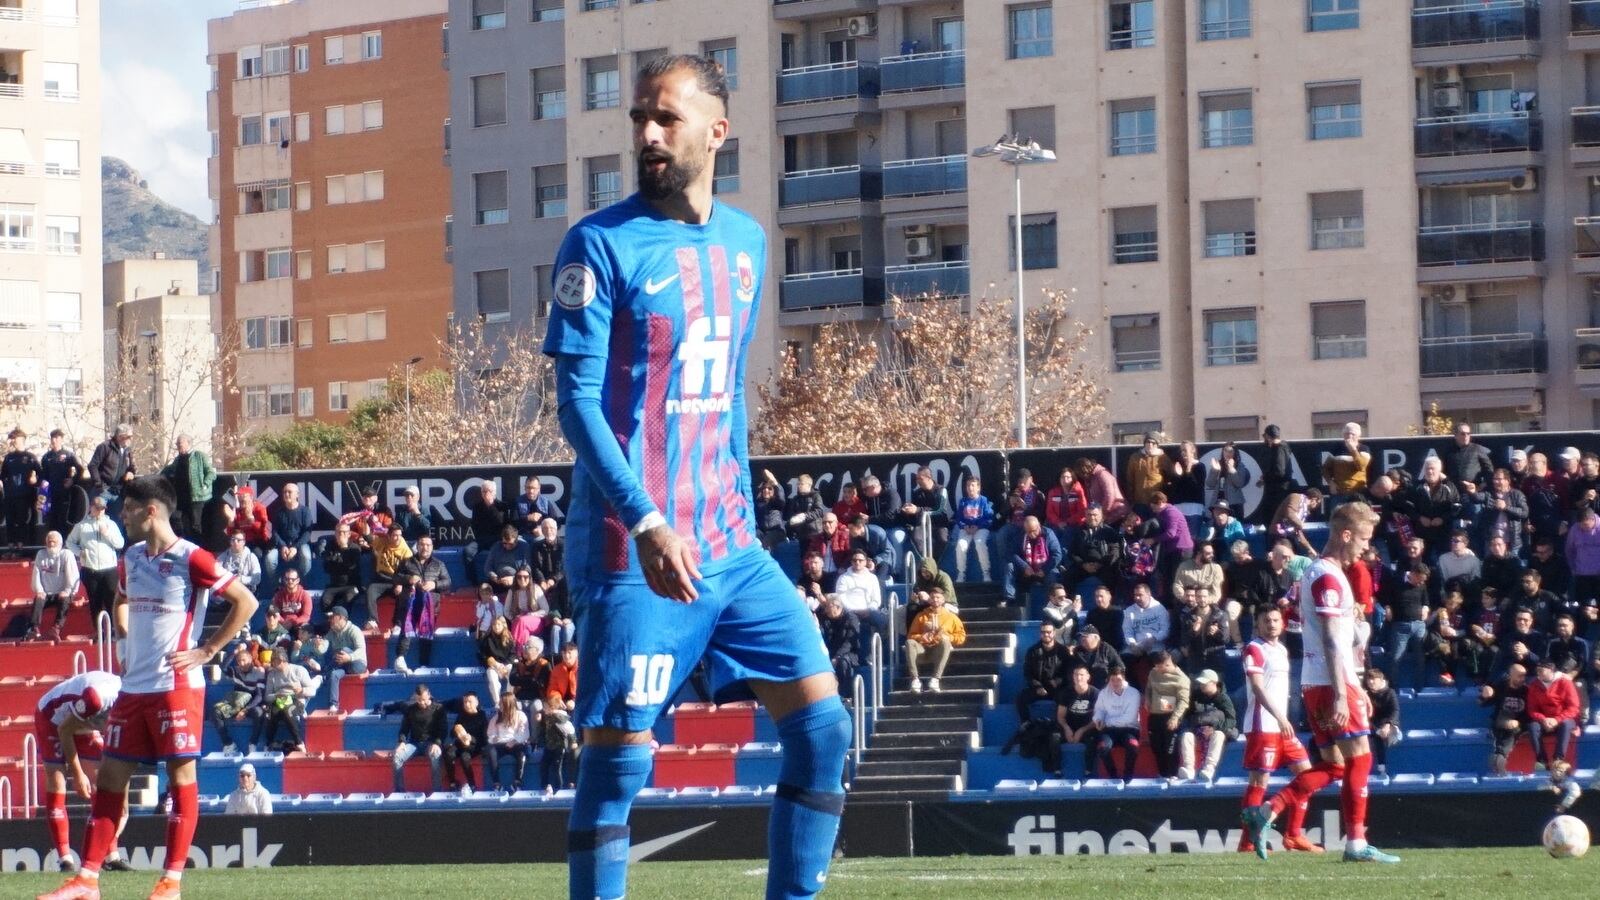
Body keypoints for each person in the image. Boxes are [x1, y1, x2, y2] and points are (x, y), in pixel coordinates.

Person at [542, 55, 848, 900]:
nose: (645, 134)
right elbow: (576, 406)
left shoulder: (748, 243)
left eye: (665, 119)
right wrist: (645, 522)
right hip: (630, 550)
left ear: (716, 132)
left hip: (730, 548)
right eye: (639, 118)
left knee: (824, 731)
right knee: (616, 771)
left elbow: (722, 404)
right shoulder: (598, 245)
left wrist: (737, 519)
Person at [39, 474, 259, 900]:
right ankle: (87, 881)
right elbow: (121, 601)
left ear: (151, 510)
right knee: (110, 780)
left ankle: (171, 882)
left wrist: (207, 649)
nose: (122, 516)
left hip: (176, 685)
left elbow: (245, 602)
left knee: (181, 777)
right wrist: (124, 639)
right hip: (133, 688)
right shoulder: (132, 557)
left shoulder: (192, 558)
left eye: (128, 509)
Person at [1243, 501, 1401, 864]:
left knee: (1334, 766)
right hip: (1332, 684)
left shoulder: (1316, 572)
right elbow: (1331, 639)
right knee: (1360, 760)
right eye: (1362, 539)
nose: (1365, 547)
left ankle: (1267, 810)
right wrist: (1346, 693)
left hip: (1316, 683)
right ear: (1345, 535)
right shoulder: (1329, 577)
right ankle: (1357, 844)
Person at [1238, 606, 1317, 855]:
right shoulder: (1255, 649)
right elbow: (1258, 689)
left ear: (1282, 624)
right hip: (1263, 725)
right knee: (1259, 782)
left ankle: (1293, 835)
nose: (1272, 624)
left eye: (1275, 620)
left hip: (1282, 726)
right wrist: (1281, 717)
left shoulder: (1282, 649)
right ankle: (1248, 843)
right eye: (1266, 621)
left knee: (1307, 776)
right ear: (1258, 625)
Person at [33, 670, 128, 873]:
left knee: (101, 782)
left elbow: (122, 755)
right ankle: (65, 859)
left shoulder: (133, 703)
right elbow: (65, 730)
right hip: (53, 720)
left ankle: (111, 856)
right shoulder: (97, 698)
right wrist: (77, 774)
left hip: (83, 722)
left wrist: (123, 798)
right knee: (58, 780)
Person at [65, 497, 122, 632]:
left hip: (109, 568)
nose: (100, 511)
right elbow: (69, 542)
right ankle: (99, 631)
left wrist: (107, 534)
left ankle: (114, 629)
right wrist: (79, 552)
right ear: (91, 507)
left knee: (111, 599)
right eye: (97, 508)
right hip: (90, 569)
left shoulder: (111, 524)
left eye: (102, 509)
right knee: (95, 601)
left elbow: (120, 543)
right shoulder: (82, 525)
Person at [1179, 669, 1236, 782]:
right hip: (1198, 728)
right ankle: (1189, 769)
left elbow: (1231, 720)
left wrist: (1216, 728)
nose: (1202, 686)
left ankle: (1209, 769)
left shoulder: (1223, 699)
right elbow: (1188, 715)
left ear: (1214, 683)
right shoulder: (1195, 696)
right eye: (1200, 683)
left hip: (1216, 729)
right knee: (1186, 736)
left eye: (1205, 683)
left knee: (1218, 735)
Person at [209, 644, 267, 753]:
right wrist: (234, 652)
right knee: (215, 711)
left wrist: (245, 710)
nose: (242, 664)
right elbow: (223, 667)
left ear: (250, 659)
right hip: (236, 704)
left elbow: (259, 696)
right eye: (239, 661)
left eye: (244, 660)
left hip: (251, 705)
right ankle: (228, 743)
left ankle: (253, 744)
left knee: (259, 713)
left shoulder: (259, 672)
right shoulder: (236, 671)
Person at [905, 588, 965, 693]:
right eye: (932, 597)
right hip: (922, 650)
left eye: (938, 597)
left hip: (938, 651)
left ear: (943, 600)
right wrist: (920, 637)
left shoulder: (951, 617)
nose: (935, 600)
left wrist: (948, 637)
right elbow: (911, 635)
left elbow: (961, 636)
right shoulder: (921, 616)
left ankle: (935, 679)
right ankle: (915, 680)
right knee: (910, 643)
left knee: (945, 641)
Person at [1088, 664, 1141, 780]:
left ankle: (1128, 775)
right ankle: (1113, 776)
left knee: (1133, 745)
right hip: (1110, 730)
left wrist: (1106, 721)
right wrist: (1098, 719)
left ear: (1124, 679)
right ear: (1108, 680)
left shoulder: (1133, 693)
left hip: (1129, 729)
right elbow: (1099, 710)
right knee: (1102, 747)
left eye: (1119, 680)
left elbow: (1129, 718)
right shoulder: (1103, 693)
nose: (1116, 683)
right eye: (1112, 680)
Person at [1384, 562, 1431, 691]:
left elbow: (1425, 600)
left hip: (1418, 625)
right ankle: (1392, 687)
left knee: (1420, 657)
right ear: (1413, 574)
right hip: (1400, 626)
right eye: (1420, 579)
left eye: (1423, 581)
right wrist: (1388, 608)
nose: (1421, 583)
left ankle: (1419, 687)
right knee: (1396, 657)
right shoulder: (1396, 580)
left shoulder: (1422, 585)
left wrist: (1425, 609)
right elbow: (1387, 597)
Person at [1527, 657, 1581, 771]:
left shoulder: (1565, 682)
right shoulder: (1534, 685)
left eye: (1541, 670)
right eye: (1537, 670)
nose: (1538, 673)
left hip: (1563, 719)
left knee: (1566, 724)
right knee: (1532, 726)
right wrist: (1543, 719)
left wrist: (1557, 719)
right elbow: (1532, 709)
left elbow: (1574, 707)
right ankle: (1542, 761)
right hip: (1545, 720)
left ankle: (1558, 759)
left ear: (1551, 670)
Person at [393, 684, 447, 794]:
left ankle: (437, 791)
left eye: (424, 700)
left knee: (435, 755)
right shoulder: (410, 710)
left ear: (429, 695)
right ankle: (399, 791)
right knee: (397, 757)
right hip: (414, 744)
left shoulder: (438, 709)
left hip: (431, 743)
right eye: (419, 700)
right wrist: (402, 742)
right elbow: (404, 728)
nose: (421, 703)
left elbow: (443, 730)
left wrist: (437, 743)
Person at [1144, 651, 1189, 779]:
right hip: (1155, 716)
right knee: (1156, 747)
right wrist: (1147, 698)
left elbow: (1184, 701)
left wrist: (1175, 718)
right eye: (1156, 667)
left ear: (1168, 664)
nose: (1157, 669)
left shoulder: (1182, 679)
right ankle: (1162, 774)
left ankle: (1173, 774)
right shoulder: (1153, 672)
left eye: (1160, 667)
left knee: (1170, 748)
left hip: (1170, 716)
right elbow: (1148, 687)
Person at [159, 436, 214, 540]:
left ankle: (197, 548)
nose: (178, 446)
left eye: (180, 443)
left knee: (195, 525)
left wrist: (205, 484)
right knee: (178, 521)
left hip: (196, 497)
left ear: (188, 443)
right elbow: (169, 471)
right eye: (177, 444)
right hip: (181, 498)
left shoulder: (199, 456)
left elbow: (211, 472)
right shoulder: (177, 459)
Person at [260, 649, 314, 754]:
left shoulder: (299, 670)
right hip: (279, 700)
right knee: (270, 713)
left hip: (296, 699)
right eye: (273, 661)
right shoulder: (272, 674)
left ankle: (299, 743)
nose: (275, 664)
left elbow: (312, 690)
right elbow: (267, 696)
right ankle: (269, 742)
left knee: (287, 710)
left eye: (277, 661)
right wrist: (277, 695)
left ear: (284, 660)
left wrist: (301, 691)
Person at [28, 530, 79, 640]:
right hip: (46, 593)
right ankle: (34, 629)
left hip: (63, 592)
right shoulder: (41, 554)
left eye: (54, 542)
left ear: (60, 544)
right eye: (49, 542)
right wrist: (39, 590)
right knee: (37, 600)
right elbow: (36, 574)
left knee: (65, 601)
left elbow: (73, 576)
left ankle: (56, 628)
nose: (51, 544)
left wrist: (67, 590)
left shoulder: (67, 555)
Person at [1016, 622, 1071, 723]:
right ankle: (1026, 724)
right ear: (1040, 633)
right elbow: (1027, 673)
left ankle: (1061, 725)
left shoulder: (1063, 651)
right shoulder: (1032, 651)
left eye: (1049, 632)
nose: (1046, 634)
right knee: (1021, 698)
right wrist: (1038, 687)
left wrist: (1057, 682)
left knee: (1066, 698)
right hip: (1039, 688)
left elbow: (1068, 672)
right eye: (1043, 632)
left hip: (1057, 688)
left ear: (1054, 633)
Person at [1482, 663, 1530, 775]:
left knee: (1512, 731)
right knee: (1503, 722)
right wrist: (1486, 694)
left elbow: (1530, 712)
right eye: (1519, 676)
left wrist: (1518, 722)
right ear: (1511, 675)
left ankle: (1499, 756)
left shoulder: (1526, 691)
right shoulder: (1501, 687)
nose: (1522, 679)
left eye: (1524, 676)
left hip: (1517, 722)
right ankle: (1500, 758)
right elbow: (1483, 703)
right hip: (1501, 719)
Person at [264, 482, 314, 591]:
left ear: (297, 495)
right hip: (281, 545)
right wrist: (283, 546)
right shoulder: (279, 512)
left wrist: (295, 548)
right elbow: (275, 532)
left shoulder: (305, 511)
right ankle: (277, 585)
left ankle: (300, 583)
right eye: (285, 492)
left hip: (300, 544)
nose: (286, 494)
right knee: (269, 558)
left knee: (306, 557)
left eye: (289, 492)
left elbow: (307, 533)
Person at [1004, 515, 1061, 608]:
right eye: (1028, 532)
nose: (1032, 534)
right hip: (1027, 570)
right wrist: (1024, 566)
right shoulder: (1020, 535)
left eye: (1034, 531)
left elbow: (1057, 555)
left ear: (1039, 526)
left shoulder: (1048, 534)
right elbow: (1011, 553)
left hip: (1044, 569)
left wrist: (1044, 570)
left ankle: (1052, 604)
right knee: (1009, 566)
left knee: (1053, 575)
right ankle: (1010, 599)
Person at [1053, 666, 1099, 778]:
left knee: (1093, 740)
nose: (1079, 677)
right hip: (1069, 725)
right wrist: (1066, 728)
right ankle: (1057, 769)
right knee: (1054, 737)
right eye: (1076, 675)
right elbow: (1060, 716)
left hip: (1087, 726)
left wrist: (1082, 730)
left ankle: (1088, 770)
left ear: (1088, 677)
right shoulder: (1066, 692)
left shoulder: (1095, 693)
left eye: (1082, 675)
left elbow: (1097, 718)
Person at [1064, 504, 1119, 594]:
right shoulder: (1079, 531)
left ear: (1102, 516)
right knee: (1068, 576)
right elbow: (1072, 552)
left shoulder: (1109, 532)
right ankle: (1070, 604)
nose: (1092, 518)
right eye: (1089, 515)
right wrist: (1083, 564)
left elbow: (1115, 553)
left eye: (1095, 515)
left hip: (1103, 565)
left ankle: (1109, 605)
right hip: (1083, 566)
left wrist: (1100, 564)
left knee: (1113, 577)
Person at [86, 424, 136, 523]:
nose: (131, 439)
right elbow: (93, 465)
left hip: (118, 493)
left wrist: (131, 473)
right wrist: (99, 484)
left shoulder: (127, 450)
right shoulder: (105, 447)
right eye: (129, 436)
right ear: (121, 436)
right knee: (96, 521)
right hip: (103, 491)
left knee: (118, 523)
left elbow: (132, 467)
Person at [40, 429, 84, 539]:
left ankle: (63, 543)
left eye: (57, 438)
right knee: (50, 521)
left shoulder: (68, 455)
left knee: (63, 520)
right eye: (53, 438)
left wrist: (72, 480)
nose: (54, 440)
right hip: (50, 494)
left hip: (64, 493)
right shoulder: (46, 457)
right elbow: (43, 476)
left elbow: (80, 470)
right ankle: (51, 543)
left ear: (61, 440)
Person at [2, 426, 40, 551]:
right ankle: (11, 547)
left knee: (23, 521)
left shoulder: (30, 457)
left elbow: (41, 475)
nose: (12, 441)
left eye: (14, 438)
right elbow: (3, 476)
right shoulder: (8, 458)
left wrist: (35, 480)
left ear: (22, 439)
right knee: (10, 521)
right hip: (10, 495)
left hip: (25, 496)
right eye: (11, 439)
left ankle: (22, 547)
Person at [319, 521, 366, 625]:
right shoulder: (329, 547)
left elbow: (351, 568)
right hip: (334, 585)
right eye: (339, 532)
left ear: (349, 534)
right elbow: (327, 567)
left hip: (351, 584)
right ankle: (331, 624)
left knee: (349, 599)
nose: (341, 535)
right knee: (324, 601)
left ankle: (343, 624)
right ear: (335, 534)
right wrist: (338, 564)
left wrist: (343, 550)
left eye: (344, 532)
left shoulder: (355, 548)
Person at [485, 689, 532, 792]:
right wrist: (494, 738)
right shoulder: (496, 718)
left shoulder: (520, 715)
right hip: (501, 744)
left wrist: (515, 741)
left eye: (502, 703)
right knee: (490, 751)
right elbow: (490, 734)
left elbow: (524, 733)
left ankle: (517, 782)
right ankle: (496, 783)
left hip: (516, 743)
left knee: (521, 753)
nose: (500, 705)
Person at [464, 481, 511, 582]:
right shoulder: (477, 507)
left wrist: (491, 506)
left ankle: (499, 581)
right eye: (484, 491)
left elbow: (501, 523)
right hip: (481, 539)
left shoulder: (502, 506)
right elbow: (475, 525)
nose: (486, 494)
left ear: (494, 493)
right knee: (467, 551)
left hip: (497, 539)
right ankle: (474, 582)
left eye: (489, 491)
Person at [444, 691, 490, 793]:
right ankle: (452, 782)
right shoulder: (461, 715)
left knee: (465, 757)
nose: (467, 704)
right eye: (465, 702)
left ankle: (472, 785)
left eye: (470, 702)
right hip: (460, 744)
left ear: (476, 702)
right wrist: (457, 732)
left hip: (474, 746)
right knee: (449, 753)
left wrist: (471, 739)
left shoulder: (481, 716)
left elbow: (484, 738)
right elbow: (452, 733)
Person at [952, 476, 995, 582]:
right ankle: (961, 573)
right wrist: (964, 526)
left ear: (978, 488)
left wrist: (978, 526)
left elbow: (988, 517)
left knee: (980, 544)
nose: (970, 488)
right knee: (960, 546)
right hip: (966, 529)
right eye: (968, 485)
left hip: (981, 528)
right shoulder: (963, 501)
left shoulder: (983, 500)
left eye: (973, 485)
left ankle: (986, 572)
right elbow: (959, 518)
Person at [324, 606, 367, 710]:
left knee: (343, 649)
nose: (329, 620)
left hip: (358, 664)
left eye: (332, 617)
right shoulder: (331, 632)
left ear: (340, 618)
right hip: (344, 666)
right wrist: (318, 645)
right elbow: (324, 646)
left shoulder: (354, 630)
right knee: (334, 674)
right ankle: (333, 705)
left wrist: (349, 657)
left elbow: (361, 651)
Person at [1255, 424, 1297, 526]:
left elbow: (1279, 471)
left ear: (1268, 437)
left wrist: (1265, 478)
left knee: (1271, 519)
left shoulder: (1279, 449)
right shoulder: (1283, 447)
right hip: (1278, 489)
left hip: (1277, 491)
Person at [1363, 668, 1401, 777]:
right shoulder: (1367, 694)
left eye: (1373, 680)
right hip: (1372, 724)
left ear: (1381, 680)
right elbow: (1366, 714)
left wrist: (1388, 725)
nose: (1371, 682)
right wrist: (1377, 729)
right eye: (1369, 680)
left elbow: (1395, 710)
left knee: (1381, 736)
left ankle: (1382, 768)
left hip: (1387, 723)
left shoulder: (1390, 692)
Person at [816, 595, 860, 688]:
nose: (826, 610)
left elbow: (849, 642)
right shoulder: (826, 618)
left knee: (842, 662)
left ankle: (845, 696)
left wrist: (837, 656)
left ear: (837, 607)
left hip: (848, 653)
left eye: (828, 607)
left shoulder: (851, 618)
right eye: (826, 606)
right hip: (830, 652)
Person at [481, 614, 517, 701]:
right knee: (492, 678)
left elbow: (512, 654)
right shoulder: (487, 639)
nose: (496, 627)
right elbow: (483, 655)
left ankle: (509, 699)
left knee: (513, 675)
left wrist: (503, 666)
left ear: (503, 625)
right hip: (493, 665)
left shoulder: (509, 638)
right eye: (494, 624)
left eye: (498, 624)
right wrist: (496, 665)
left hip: (506, 664)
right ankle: (497, 702)